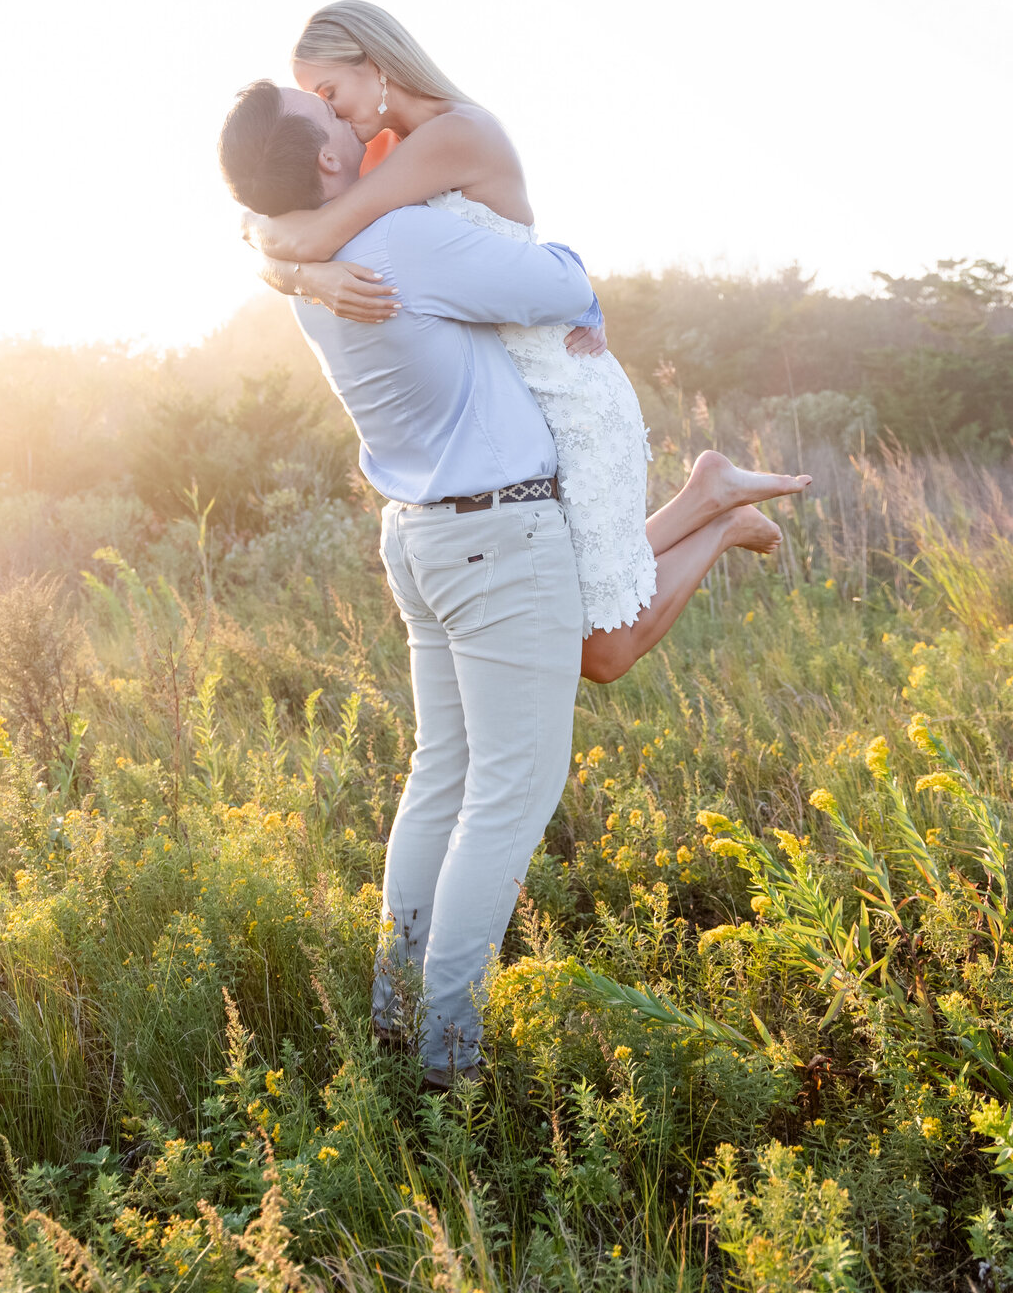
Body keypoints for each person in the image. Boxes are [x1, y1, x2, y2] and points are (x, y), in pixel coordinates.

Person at [218, 77, 795, 1088]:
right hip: (495, 537)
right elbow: (559, 283)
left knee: (442, 777)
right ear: (321, 163)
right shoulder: (393, 242)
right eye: (331, 126)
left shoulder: (303, 249)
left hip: (423, 539)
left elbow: (253, 231)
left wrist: (286, 266)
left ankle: (398, 1018)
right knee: (507, 797)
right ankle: (448, 1062)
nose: (351, 126)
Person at [239, 0, 811, 683]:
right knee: (564, 596)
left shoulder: (454, 135)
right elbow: (262, 219)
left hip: (567, 384)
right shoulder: (384, 148)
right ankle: (706, 496)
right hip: (520, 397)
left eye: (330, 93)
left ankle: (718, 523)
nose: (330, 117)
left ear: (376, 61)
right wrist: (295, 268)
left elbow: (299, 230)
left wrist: (299, 270)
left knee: (602, 651)